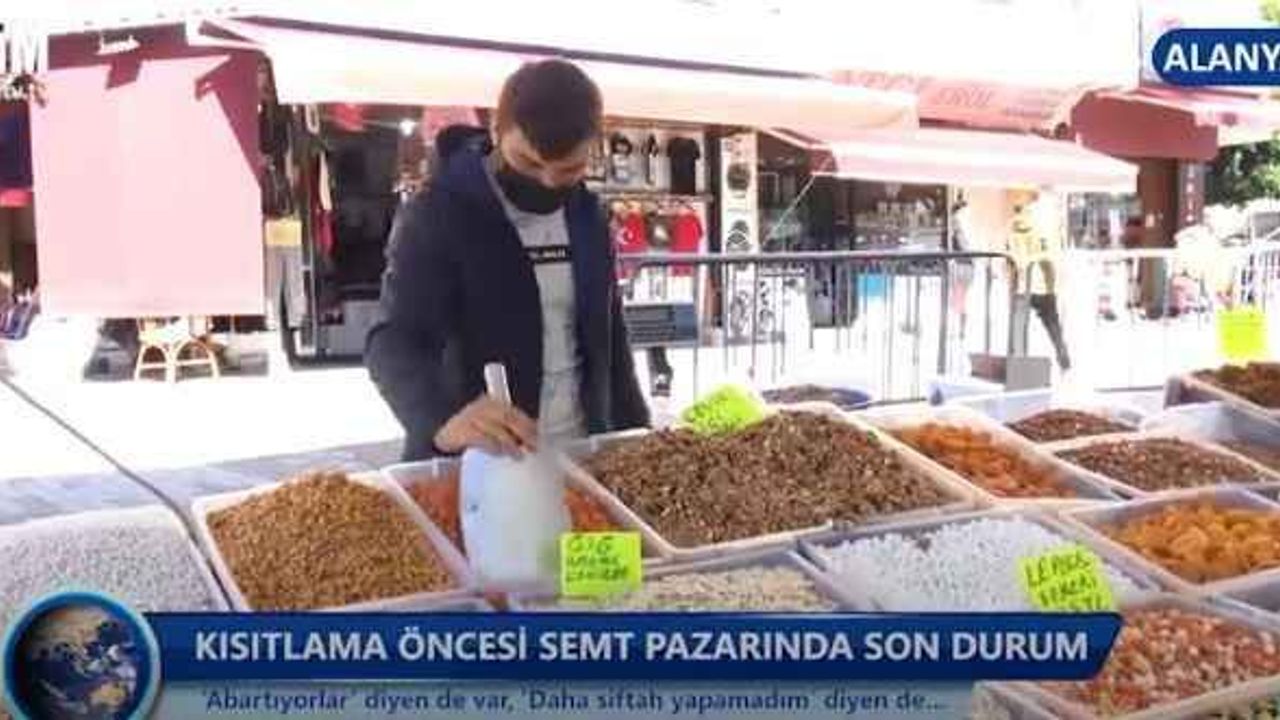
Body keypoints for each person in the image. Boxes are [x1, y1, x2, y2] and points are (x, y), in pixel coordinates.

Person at [366, 59, 650, 461]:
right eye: (528, 163)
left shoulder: (589, 216)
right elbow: (393, 340)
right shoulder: (438, 214)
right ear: (496, 132)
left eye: (569, 170)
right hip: (483, 466)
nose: (547, 182)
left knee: (599, 514)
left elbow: (610, 341)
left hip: (586, 457)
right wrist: (441, 418)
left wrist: (639, 438)